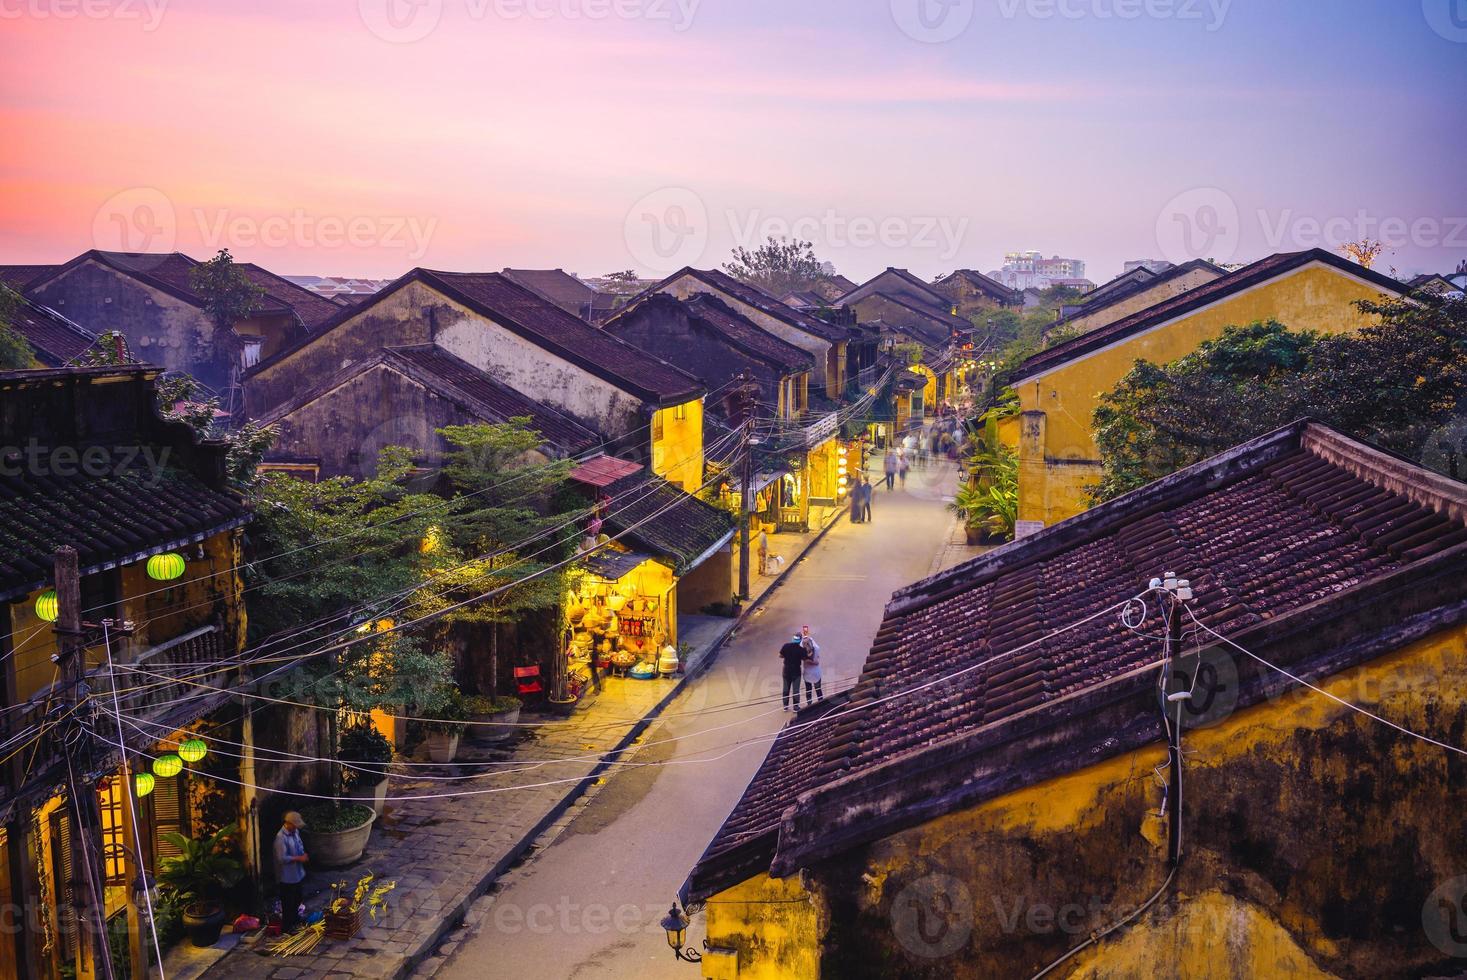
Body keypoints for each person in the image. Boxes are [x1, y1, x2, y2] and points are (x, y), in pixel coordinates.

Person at [274, 811, 309, 933]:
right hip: (287, 877)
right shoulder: (281, 838)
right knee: (288, 903)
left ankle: (295, 920)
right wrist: (298, 858)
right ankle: (287, 927)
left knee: (297, 899)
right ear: (288, 824)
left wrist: (302, 854)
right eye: (295, 825)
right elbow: (281, 858)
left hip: (297, 873)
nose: (296, 828)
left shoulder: (295, 832)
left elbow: (299, 845)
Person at [779, 634, 808, 711]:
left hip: (786, 671)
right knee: (796, 690)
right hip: (796, 671)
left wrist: (788, 656)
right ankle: (795, 707)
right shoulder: (801, 649)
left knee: (785, 688)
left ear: (793, 639)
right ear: (800, 641)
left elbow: (780, 656)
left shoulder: (786, 646)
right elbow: (805, 659)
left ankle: (785, 706)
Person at [800, 628, 824, 706]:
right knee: (818, 689)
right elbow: (817, 661)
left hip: (807, 673)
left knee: (808, 690)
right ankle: (821, 703)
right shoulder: (816, 648)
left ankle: (809, 704)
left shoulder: (801, 651)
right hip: (816, 673)